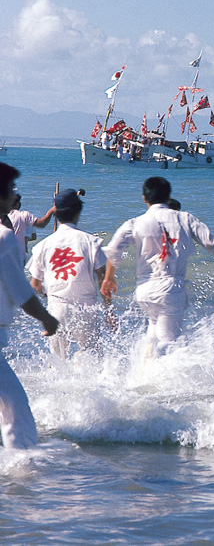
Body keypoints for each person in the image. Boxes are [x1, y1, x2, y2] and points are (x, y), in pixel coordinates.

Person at [102, 176, 214, 355]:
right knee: (170, 344)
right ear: (168, 196)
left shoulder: (135, 222)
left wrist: (109, 279)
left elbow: (114, 249)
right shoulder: (184, 218)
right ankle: (159, 377)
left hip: (144, 290)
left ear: (144, 198)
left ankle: (142, 370)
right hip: (170, 289)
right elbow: (210, 242)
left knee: (153, 332)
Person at [0, 162, 60, 449]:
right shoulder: (4, 238)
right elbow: (22, 292)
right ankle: (23, 468)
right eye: (10, 189)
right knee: (16, 407)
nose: (13, 195)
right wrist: (47, 319)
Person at [27, 190, 109, 358]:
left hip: (57, 308)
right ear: (79, 211)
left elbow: (34, 285)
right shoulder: (91, 241)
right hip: (86, 308)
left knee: (58, 361)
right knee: (91, 356)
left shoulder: (43, 245)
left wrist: (45, 294)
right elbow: (103, 280)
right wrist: (109, 311)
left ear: (56, 213)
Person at [5, 193, 56, 263]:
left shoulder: (3, 216)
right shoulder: (23, 215)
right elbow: (42, 223)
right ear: (17, 204)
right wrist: (51, 211)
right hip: (18, 256)